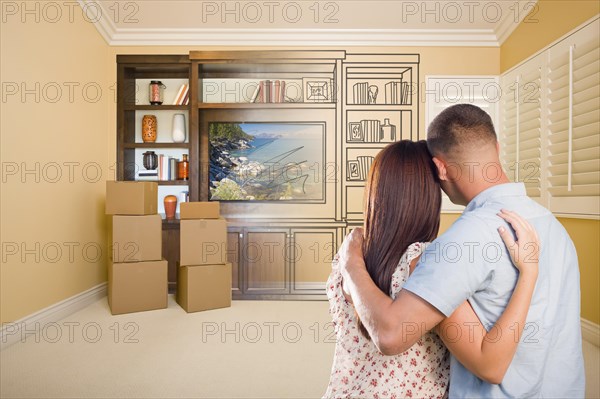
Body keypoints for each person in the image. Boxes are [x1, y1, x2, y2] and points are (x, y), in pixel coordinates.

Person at [337, 104, 585, 397]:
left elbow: (390, 335)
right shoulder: (553, 226)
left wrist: (351, 262)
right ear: (495, 146)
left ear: (440, 168)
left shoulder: (460, 241)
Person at [324, 140, 540, 398]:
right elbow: (490, 365)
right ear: (428, 197)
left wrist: (351, 262)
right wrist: (529, 273)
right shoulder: (423, 265)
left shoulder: (348, 255)